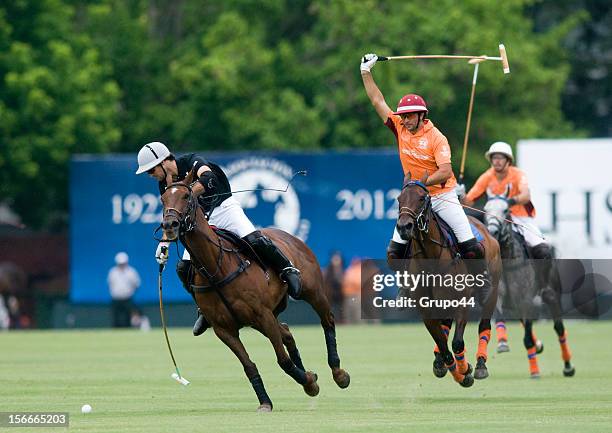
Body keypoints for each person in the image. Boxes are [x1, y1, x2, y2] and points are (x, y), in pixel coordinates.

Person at [360, 53, 491, 303]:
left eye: (410, 115)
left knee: (469, 243)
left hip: (441, 196)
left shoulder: (436, 138)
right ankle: (407, 285)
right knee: (394, 251)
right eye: (404, 115)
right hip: (414, 199)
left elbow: (445, 172)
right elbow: (377, 100)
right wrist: (366, 72)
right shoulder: (399, 126)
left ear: (421, 115)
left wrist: (420, 182)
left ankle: (482, 283)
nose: (405, 119)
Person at [135, 141, 302, 336]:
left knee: (254, 239)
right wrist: (165, 243)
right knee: (184, 268)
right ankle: (204, 310)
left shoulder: (191, 161)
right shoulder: (164, 185)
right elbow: (172, 217)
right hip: (202, 221)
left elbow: (207, 177)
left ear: (164, 161)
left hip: (224, 209)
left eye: (151, 169)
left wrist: (186, 192)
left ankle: (287, 269)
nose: (150, 174)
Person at [456, 141, 548, 256]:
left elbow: (526, 195)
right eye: (494, 158)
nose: (497, 161)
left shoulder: (518, 174)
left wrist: (509, 202)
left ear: (508, 160)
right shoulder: (487, 176)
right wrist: (461, 194)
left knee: (542, 249)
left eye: (501, 158)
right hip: (494, 217)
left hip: (520, 218)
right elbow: (467, 202)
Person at [107, 252, 141, 328]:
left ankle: (128, 331)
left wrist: (130, 292)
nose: (122, 265)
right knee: (115, 318)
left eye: (123, 263)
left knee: (128, 317)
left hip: (127, 298)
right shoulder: (113, 272)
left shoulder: (131, 272)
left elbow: (136, 284)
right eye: (120, 263)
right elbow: (110, 283)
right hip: (116, 299)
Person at [323, 251, 344, 318]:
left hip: (340, 295)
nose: (336, 261)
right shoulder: (328, 270)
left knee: (341, 311)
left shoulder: (341, 269)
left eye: (337, 259)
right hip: (330, 295)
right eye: (335, 259)